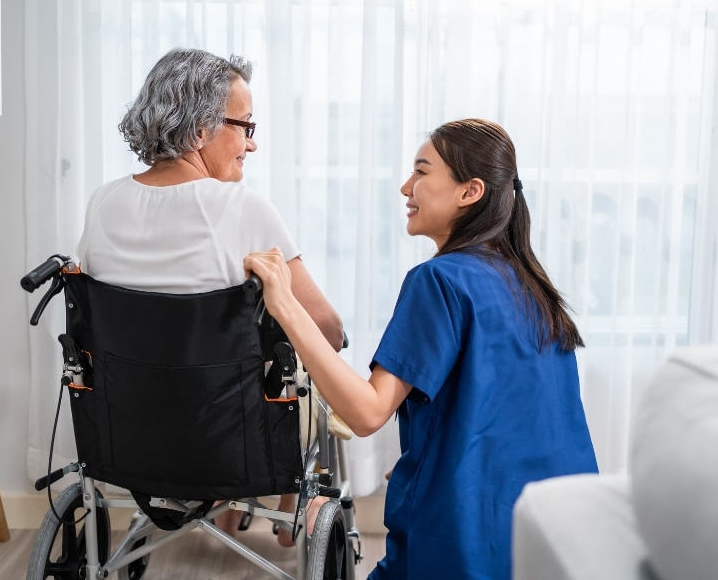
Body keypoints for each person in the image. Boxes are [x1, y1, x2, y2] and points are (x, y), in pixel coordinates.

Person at [244, 118, 599, 579]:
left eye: (422, 171)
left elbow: (367, 413)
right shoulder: (532, 286)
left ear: (469, 192)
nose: (405, 187)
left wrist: (286, 306)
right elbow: (522, 425)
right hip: (554, 536)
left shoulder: (440, 281)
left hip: (461, 542)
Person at [74, 47, 344, 546]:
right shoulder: (241, 207)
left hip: (128, 433)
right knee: (307, 370)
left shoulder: (102, 202)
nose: (251, 144)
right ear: (200, 130)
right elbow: (326, 328)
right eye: (245, 126)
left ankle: (220, 504)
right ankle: (287, 505)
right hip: (229, 437)